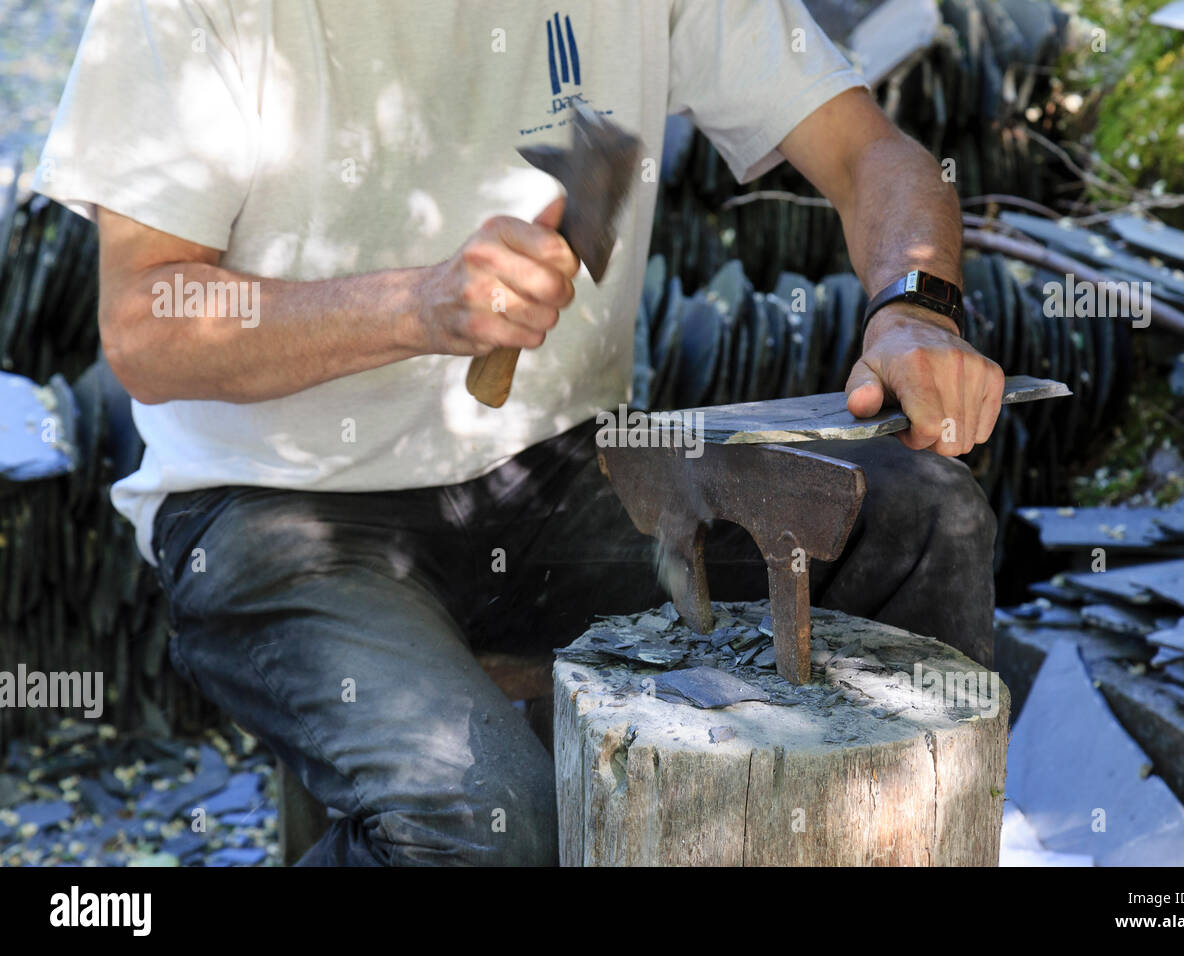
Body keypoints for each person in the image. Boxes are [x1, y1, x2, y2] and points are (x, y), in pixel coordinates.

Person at [38, 0, 1005, 865]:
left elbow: (870, 155)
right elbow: (145, 325)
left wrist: (913, 308)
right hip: (270, 504)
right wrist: (416, 305)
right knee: (488, 829)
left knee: (925, 520)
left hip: (560, 474)